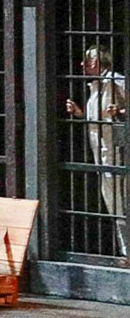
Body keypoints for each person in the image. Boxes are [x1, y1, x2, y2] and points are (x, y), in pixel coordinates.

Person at [65, 45, 128, 256]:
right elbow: (97, 118)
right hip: (101, 153)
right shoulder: (96, 86)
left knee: (120, 201)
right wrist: (79, 113)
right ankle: (126, 251)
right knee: (112, 201)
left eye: (86, 60)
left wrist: (120, 111)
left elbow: (117, 113)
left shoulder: (115, 80)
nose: (82, 64)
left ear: (95, 62)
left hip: (116, 152)